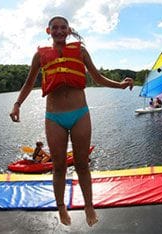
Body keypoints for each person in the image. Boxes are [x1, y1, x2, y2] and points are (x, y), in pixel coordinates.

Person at [9, 16, 133, 227]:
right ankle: (61, 207)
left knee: (82, 164)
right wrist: (17, 104)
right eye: (55, 28)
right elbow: (29, 83)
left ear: (68, 30)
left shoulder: (81, 51)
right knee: (58, 167)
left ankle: (89, 206)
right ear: (48, 31)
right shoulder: (39, 56)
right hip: (54, 117)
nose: (59, 31)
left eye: (63, 27)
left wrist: (120, 85)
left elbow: (98, 77)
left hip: (80, 114)